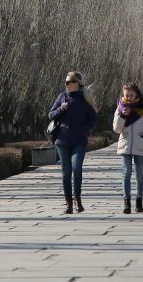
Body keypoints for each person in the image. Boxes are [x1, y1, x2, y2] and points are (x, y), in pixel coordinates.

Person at [47, 71, 96, 214]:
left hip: (79, 141)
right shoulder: (62, 97)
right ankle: (68, 203)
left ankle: (77, 199)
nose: (66, 85)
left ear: (77, 84)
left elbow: (93, 118)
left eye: (69, 82)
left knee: (76, 168)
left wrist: (84, 129)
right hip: (62, 141)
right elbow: (50, 115)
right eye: (66, 82)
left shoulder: (84, 99)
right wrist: (60, 109)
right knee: (66, 173)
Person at [114, 82, 143, 214]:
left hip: (139, 144)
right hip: (125, 144)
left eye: (132, 95)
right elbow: (116, 128)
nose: (129, 97)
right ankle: (126, 201)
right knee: (126, 173)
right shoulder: (120, 108)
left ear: (136, 94)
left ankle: (139, 199)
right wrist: (123, 116)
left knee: (139, 175)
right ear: (123, 95)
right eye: (127, 95)